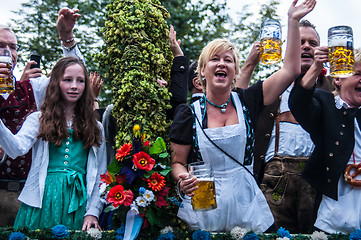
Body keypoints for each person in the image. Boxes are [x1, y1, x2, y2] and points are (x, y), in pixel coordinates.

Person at [169, 0, 316, 232]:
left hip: (245, 201)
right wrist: (183, 178)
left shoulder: (248, 100)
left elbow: (290, 70)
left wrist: (293, 21)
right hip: (204, 200)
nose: (222, 64)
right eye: (215, 59)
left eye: (228, 60)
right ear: (202, 71)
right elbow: (177, 162)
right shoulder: (188, 113)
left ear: (235, 71)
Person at [0, 56, 106, 230]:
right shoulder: (39, 119)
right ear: (56, 82)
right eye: (67, 80)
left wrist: (93, 211)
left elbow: (102, 175)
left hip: (78, 202)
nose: (74, 86)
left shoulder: (96, 127)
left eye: (80, 81)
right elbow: (16, 149)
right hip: (42, 200)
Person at [0, 7, 83, 227]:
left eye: (13, 47)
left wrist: (67, 39)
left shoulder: (32, 88)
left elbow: (72, 75)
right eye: (1, 46)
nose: (7, 52)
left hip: (26, 195)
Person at [254, 20, 333, 234]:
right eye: (300, 42)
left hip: (317, 182)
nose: (307, 46)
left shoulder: (335, 89)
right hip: (274, 181)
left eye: (312, 43)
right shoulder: (269, 87)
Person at [289, 46, 361, 234]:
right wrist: (317, 65)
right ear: (337, 78)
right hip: (333, 210)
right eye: (357, 73)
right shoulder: (326, 103)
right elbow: (298, 103)